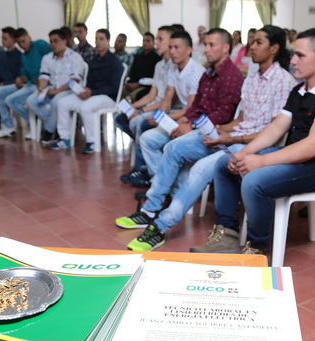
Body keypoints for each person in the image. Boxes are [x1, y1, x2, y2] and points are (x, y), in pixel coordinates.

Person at [116, 25, 296, 252]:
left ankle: (160, 227)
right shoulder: (253, 77)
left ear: (274, 48)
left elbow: (273, 131)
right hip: (233, 137)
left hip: (254, 146)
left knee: (200, 168)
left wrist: (229, 138)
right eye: (253, 41)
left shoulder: (282, 80)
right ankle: (150, 209)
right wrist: (221, 130)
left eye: (259, 42)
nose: (252, 46)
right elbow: (241, 117)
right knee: (173, 148)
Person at [189, 28, 315, 255]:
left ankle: (257, 249)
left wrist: (261, 161)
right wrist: (244, 153)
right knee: (224, 163)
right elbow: (277, 127)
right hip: (294, 158)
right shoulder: (300, 90)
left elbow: (313, 147)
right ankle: (227, 235)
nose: (293, 61)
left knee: (254, 180)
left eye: (300, 55)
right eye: (294, 54)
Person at [137, 30, 205, 180]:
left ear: (188, 50)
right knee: (147, 139)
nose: (172, 51)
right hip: (182, 116)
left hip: (195, 121)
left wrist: (164, 118)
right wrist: (159, 116)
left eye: (177, 48)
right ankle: (159, 181)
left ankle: (166, 185)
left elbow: (191, 109)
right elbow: (167, 97)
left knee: (170, 146)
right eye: (171, 47)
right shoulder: (174, 68)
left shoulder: (196, 72)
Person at [117, 26, 177, 185]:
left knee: (140, 122)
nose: (157, 43)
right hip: (154, 104)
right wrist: (134, 107)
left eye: (160, 39)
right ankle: (141, 157)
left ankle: (142, 168)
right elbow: (152, 94)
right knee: (121, 117)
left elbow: (166, 100)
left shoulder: (176, 65)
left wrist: (141, 111)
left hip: (164, 109)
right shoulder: (160, 65)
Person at [53, 29, 123, 153]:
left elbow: (115, 88)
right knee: (62, 103)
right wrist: (84, 90)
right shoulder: (93, 61)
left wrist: (92, 92)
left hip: (109, 98)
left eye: (101, 39)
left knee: (85, 107)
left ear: (108, 41)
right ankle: (65, 139)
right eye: (96, 39)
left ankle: (92, 142)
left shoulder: (115, 62)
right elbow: (90, 84)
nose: (98, 42)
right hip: (92, 95)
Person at [26, 29, 85, 143]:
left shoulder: (75, 57)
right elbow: (44, 77)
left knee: (56, 102)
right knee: (31, 101)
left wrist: (57, 91)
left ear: (64, 41)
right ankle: (55, 125)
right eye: (51, 42)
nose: (53, 44)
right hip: (52, 87)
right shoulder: (47, 57)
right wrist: (42, 87)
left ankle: (48, 131)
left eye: (56, 41)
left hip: (69, 89)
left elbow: (74, 81)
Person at [0, 28, 51, 139]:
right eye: (19, 42)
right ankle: (9, 126)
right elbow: (24, 75)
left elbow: (53, 58)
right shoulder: (24, 56)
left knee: (13, 100)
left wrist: (46, 78)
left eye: (23, 41)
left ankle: (34, 124)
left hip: (42, 84)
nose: (22, 45)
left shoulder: (39, 45)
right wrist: (20, 79)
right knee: (3, 95)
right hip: (29, 84)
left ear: (29, 37)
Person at [123, 32, 161, 101]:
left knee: (132, 96)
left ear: (153, 43)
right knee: (120, 92)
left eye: (148, 41)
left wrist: (138, 84)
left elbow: (153, 78)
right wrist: (129, 83)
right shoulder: (137, 57)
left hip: (146, 87)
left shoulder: (157, 58)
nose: (145, 43)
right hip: (133, 84)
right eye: (143, 40)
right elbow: (132, 73)